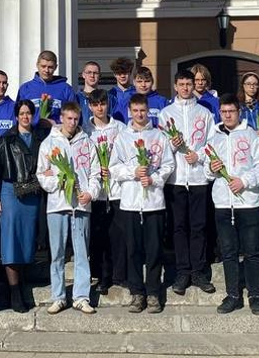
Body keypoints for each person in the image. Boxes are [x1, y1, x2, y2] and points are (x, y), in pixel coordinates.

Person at [204, 94, 259, 315]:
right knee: (228, 252)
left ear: (238, 112)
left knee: (252, 252)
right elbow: (207, 172)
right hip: (223, 204)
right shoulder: (214, 137)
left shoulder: (251, 135)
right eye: (223, 112)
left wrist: (244, 181)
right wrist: (212, 169)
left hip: (248, 203)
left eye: (231, 111)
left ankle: (255, 294)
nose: (227, 115)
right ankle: (233, 294)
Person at [111, 94, 175, 314]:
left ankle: (154, 292)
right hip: (130, 202)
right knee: (133, 250)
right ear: (130, 111)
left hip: (154, 203)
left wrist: (154, 179)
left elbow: (168, 165)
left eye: (143, 110)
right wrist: (133, 172)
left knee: (154, 249)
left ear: (148, 111)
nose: (139, 115)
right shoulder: (122, 137)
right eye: (135, 111)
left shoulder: (159, 136)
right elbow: (114, 168)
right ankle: (137, 292)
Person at [37, 102, 101, 315]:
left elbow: (95, 173)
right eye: (69, 118)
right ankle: (58, 296)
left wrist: (90, 193)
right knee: (57, 254)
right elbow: (41, 174)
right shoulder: (49, 143)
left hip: (81, 205)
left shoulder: (87, 143)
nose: (72, 123)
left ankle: (81, 297)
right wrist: (59, 181)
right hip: (57, 205)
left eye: (76, 119)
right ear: (62, 118)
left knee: (82, 253)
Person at [159, 70, 215, 296]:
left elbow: (212, 142)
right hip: (176, 179)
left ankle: (199, 271)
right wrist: (172, 145)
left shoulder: (204, 113)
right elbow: (160, 147)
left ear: (193, 86)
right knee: (179, 226)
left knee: (199, 226)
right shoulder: (166, 114)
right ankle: (182, 271)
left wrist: (199, 156)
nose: (185, 88)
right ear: (175, 86)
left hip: (198, 177)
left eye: (188, 84)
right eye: (181, 84)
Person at [0, 100, 51, 312]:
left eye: (29, 113)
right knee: (11, 242)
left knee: (26, 241)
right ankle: (14, 292)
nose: (26, 117)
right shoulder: (7, 139)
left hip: (33, 193)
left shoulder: (41, 136)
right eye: (22, 113)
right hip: (11, 192)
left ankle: (22, 285)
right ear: (16, 116)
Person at [85, 88, 127, 294]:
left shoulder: (119, 127)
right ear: (90, 107)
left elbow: (127, 154)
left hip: (117, 188)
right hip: (97, 190)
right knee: (98, 234)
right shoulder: (85, 129)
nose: (100, 108)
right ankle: (101, 275)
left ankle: (119, 274)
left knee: (118, 234)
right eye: (95, 104)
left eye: (102, 104)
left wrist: (112, 168)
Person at [17, 50, 77, 124]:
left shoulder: (66, 89)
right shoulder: (25, 88)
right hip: (32, 134)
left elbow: (75, 115)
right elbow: (17, 115)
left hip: (57, 134)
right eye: (43, 66)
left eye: (50, 67)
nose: (46, 70)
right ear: (37, 65)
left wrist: (55, 123)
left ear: (56, 67)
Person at [238, 72, 259, 136]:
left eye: (255, 84)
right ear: (243, 85)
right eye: (248, 84)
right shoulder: (238, 107)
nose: (252, 87)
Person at [75, 61, 103, 127]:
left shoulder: (106, 98)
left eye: (95, 73)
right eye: (89, 72)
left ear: (99, 76)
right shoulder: (76, 98)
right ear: (83, 75)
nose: (92, 76)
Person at [108, 57, 136, 123]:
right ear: (114, 74)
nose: (122, 76)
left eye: (125, 73)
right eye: (119, 73)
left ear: (130, 73)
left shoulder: (137, 93)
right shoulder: (109, 94)